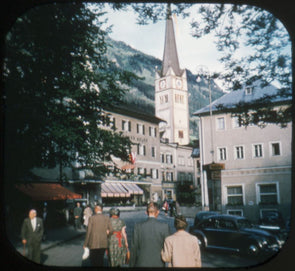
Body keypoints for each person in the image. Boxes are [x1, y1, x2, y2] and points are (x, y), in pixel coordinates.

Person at [130, 202, 170, 267]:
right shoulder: (164, 227)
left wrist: (131, 265)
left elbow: (133, 249)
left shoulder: (138, 227)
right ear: (158, 212)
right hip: (159, 263)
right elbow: (168, 248)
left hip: (141, 263)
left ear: (146, 212)